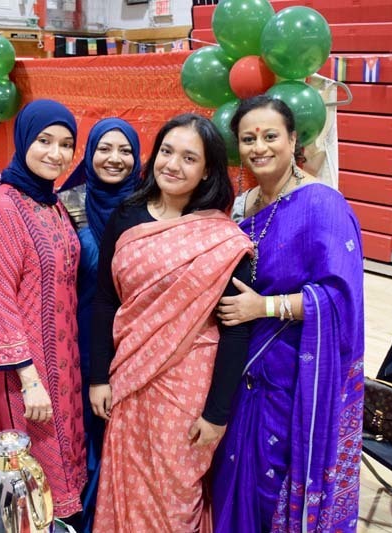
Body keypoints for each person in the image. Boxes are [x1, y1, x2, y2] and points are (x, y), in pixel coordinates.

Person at [89, 113, 253, 532]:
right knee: (128, 482)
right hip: (128, 376)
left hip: (187, 386)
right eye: (166, 151)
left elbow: (236, 331)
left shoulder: (220, 238)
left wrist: (216, 414)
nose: (172, 165)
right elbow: (106, 301)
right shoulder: (126, 216)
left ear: (207, 171)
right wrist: (98, 377)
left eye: (189, 158)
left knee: (174, 491)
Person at [212, 95, 365, 532]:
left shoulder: (322, 204)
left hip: (295, 372)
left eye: (270, 136)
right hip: (242, 365)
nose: (259, 147)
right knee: (233, 473)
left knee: (272, 480)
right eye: (248, 138)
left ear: (293, 139)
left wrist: (263, 307)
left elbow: (340, 299)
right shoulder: (243, 204)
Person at [0, 99, 86, 522]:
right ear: (24, 140)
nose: (56, 153)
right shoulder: (4, 206)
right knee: (35, 477)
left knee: (65, 458)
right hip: (30, 370)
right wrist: (29, 380)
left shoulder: (51, 201)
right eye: (44, 141)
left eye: (66, 144)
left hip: (64, 362)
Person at [57, 117, 141, 533]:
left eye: (125, 150)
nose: (115, 158)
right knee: (88, 433)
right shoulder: (65, 205)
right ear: (89, 154)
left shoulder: (148, 205)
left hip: (137, 344)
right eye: (104, 148)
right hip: (82, 342)